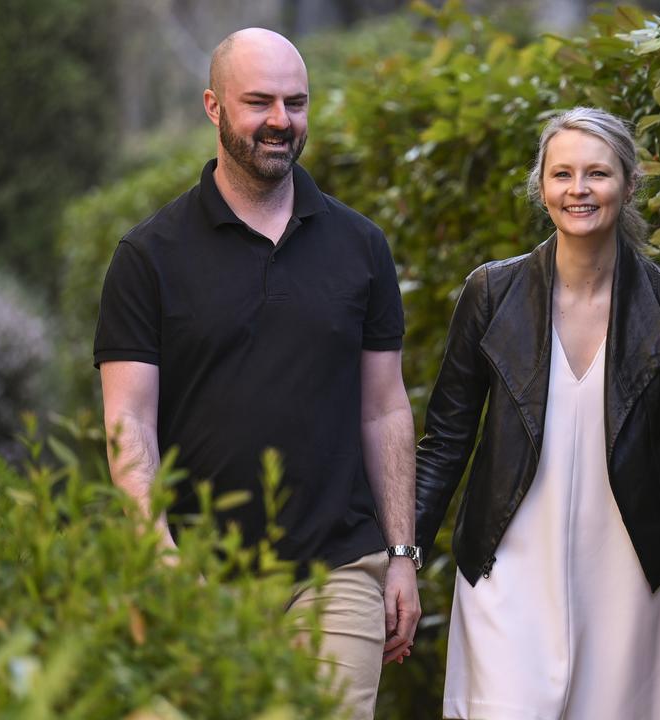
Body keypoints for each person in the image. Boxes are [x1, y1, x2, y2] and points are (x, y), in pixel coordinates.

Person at [93, 28, 420, 719]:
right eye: (260, 102)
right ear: (213, 106)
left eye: (296, 103)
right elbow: (128, 420)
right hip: (199, 566)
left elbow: (384, 408)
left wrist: (400, 554)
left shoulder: (361, 246)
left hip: (340, 566)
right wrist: (159, 554)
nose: (281, 121)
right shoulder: (148, 256)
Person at [415, 107, 660, 719]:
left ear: (629, 185)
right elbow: (445, 443)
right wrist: (403, 562)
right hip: (505, 576)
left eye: (597, 174)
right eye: (561, 174)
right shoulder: (489, 294)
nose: (578, 190)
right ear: (542, 186)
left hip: (627, 582)